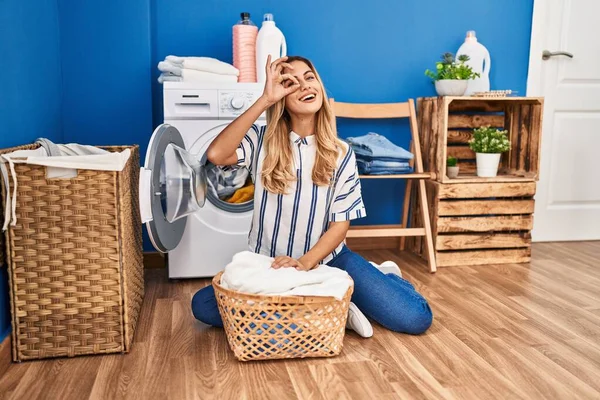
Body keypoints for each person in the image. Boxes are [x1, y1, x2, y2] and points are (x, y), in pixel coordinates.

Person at [191, 55, 432, 336]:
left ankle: (379, 279)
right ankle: (337, 310)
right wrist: (264, 100)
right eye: (291, 82)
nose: (305, 85)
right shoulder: (262, 140)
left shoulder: (341, 152)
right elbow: (216, 155)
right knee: (203, 305)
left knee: (415, 318)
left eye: (309, 77)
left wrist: (305, 264)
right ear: (281, 97)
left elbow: (340, 224)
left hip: (329, 260)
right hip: (270, 266)